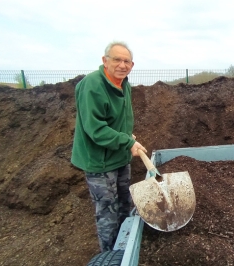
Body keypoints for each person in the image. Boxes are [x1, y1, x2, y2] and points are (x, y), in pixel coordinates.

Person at [71, 41, 147, 252]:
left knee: (124, 202)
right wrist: (127, 141)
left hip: (120, 156)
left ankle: (127, 244)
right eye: (117, 59)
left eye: (127, 61)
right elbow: (95, 129)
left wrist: (127, 136)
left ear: (132, 65)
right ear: (105, 61)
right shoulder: (92, 85)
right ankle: (111, 255)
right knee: (107, 210)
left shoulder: (124, 84)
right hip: (99, 160)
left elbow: (120, 119)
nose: (122, 65)